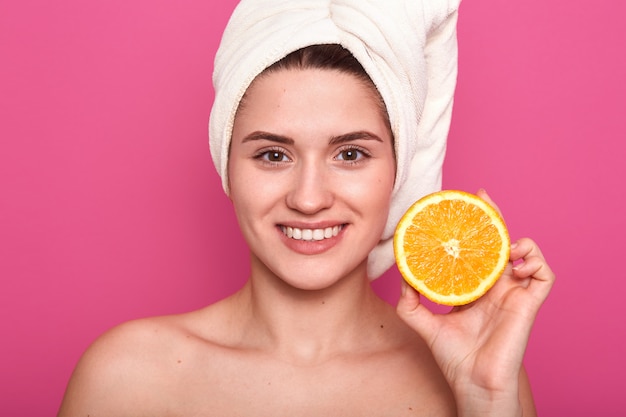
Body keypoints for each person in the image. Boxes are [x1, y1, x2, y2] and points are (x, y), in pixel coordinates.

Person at [58, 1, 555, 416]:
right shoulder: (126, 379)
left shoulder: (474, 376)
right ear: (226, 166)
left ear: (397, 171)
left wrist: (485, 399)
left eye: (351, 154)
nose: (309, 198)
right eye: (273, 155)